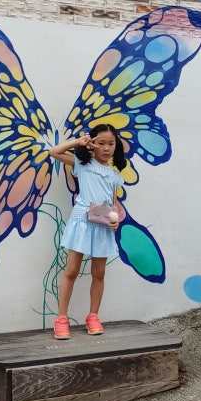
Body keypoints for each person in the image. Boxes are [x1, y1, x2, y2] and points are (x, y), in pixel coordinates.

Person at [48, 124, 126, 340]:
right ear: (92, 144)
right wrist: (78, 142)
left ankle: (93, 316)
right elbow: (54, 152)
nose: (106, 148)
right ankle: (61, 319)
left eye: (111, 143)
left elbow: (114, 202)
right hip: (81, 223)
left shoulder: (114, 175)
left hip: (102, 225)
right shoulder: (82, 164)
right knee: (71, 271)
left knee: (99, 273)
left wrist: (115, 220)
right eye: (101, 143)